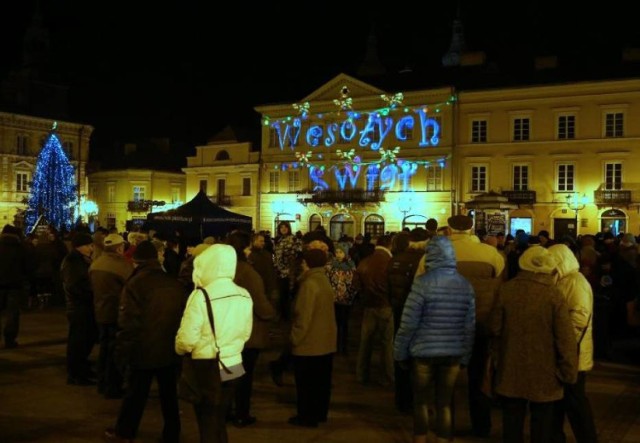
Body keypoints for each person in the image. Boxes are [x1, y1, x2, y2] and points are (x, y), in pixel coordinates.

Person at [489, 246, 578, 443]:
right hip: (545, 369)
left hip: (510, 365)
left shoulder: (506, 290)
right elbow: (565, 338)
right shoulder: (554, 295)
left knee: (511, 419)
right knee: (542, 422)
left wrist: (497, 356)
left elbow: (495, 328)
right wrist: (569, 371)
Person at [394, 236, 476, 443]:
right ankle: (443, 439)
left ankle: (420, 439)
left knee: (421, 401)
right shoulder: (465, 285)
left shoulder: (422, 284)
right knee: (445, 402)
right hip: (453, 353)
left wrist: (400, 352)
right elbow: (469, 326)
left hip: (423, 352)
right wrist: (466, 355)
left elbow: (409, 323)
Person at [105, 240, 186, 443]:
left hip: (143, 348)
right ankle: (172, 434)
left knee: (135, 395)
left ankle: (125, 432)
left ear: (136, 261)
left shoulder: (135, 284)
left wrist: (122, 353)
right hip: (169, 348)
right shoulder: (172, 282)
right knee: (169, 397)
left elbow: (128, 322)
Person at [175, 244, 253, 443]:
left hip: (206, 364)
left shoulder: (201, 296)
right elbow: (245, 333)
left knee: (207, 417)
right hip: (233, 363)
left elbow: (187, 339)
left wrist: (179, 348)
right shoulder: (244, 294)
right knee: (220, 414)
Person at [226, 231, 276, 428]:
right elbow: (261, 305)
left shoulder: (224, 270)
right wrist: (271, 313)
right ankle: (241, 413)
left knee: (229, 373)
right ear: (244, 249)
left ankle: (226, 409)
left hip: (227, 330)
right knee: (244, 377)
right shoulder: (248, 273)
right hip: (247, 332)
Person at [548, 244, 598, 443]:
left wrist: (563, 343)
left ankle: (587, 438)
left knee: (576, 402)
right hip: (565, 352)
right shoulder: (562, 280)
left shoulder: (575, 282)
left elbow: (579, 318)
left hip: (574, 354)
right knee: (560, 401)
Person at [289, 248, 337, 427]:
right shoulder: (323, 280)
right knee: (322, 383)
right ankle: (319, 413)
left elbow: (303, 315)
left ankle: (306, 417)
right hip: (325, 342)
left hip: (309, 344)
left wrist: (294, 338)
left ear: (307, 263)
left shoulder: (309, 284)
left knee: (306, 385)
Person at [89, 233, 133, 399]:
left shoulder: (96, 264)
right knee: (115, 351)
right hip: (116, 313)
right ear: (120, 247)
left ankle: (102, 382)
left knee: (104, 349)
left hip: (100, 311)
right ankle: (112, 386)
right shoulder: (122, 266)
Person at [353, 234, 395, 386]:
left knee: (365, 342)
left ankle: (361, 374)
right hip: (386, 305)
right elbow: (393, 285)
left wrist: (364, 296)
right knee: (387, 343)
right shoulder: (390, 262)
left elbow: (356, 283)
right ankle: (388, 375)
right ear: (390, 245)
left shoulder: (365, 261)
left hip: (369, 305)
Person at [61, 232, 98, 385]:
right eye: (89, 246)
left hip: (81, 306)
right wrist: (90, 293)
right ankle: (76, 373)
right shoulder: (72, 261)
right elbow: (74, 285)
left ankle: (81, 368)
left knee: (84, 340)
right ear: (80, 246)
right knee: (78, 341)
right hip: (78, 307)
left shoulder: (79, 260)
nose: (91, 248)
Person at [0, 224, 32, 348]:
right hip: (15, 284)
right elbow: (28, 265)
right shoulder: (21, 247)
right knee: (12, 313)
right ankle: (9, 339)